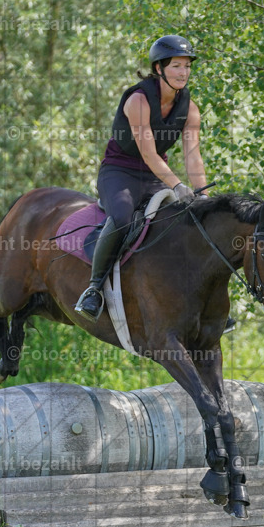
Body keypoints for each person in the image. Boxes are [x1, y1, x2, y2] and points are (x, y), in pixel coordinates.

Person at [75, 35, 209, 322]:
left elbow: (193, 157)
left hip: (154, 175)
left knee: (187, 222)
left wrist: (203, 195)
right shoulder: (138, 100)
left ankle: (199, 299)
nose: (183, 72)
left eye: (187, 66)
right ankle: (93, 289)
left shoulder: (190, 109)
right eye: (176, 66)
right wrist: (177, 185)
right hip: (119, 171)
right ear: (159, 68)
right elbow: (148, 153)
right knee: (123, 217)